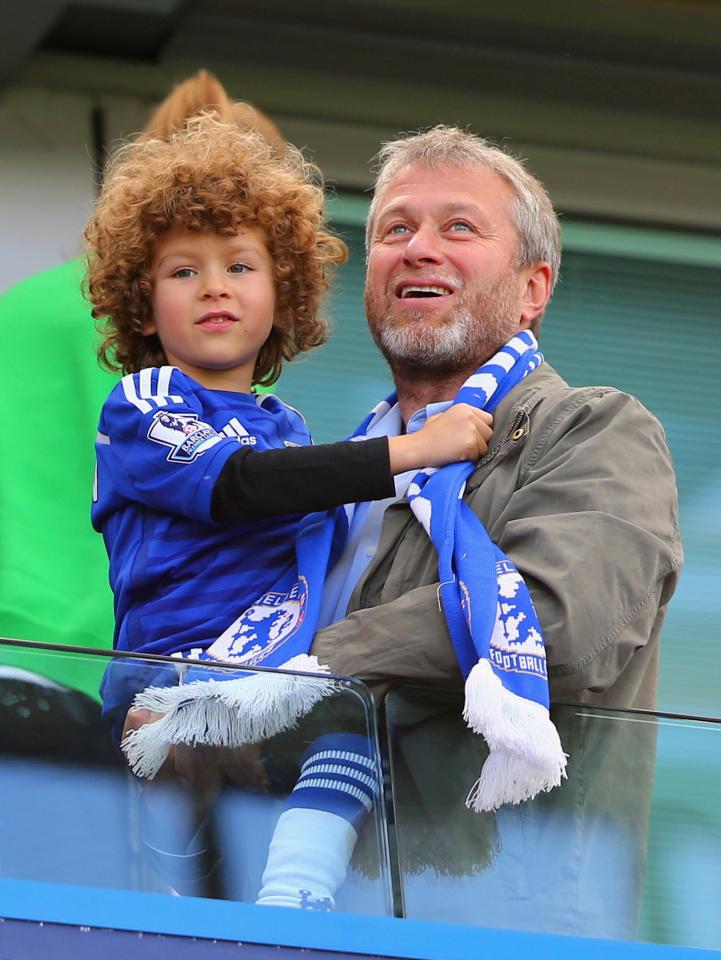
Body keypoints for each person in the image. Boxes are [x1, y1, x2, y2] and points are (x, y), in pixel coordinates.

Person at [86, 114, 492, 907]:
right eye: (181, 272)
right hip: (168, 678)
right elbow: (241, 487)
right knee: (178, 858)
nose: (214, 287)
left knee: (349, 741)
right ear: (141, 305)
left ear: (284, 296)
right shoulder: (142, 401)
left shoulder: (290, 427)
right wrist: (412, 451)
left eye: (241, 265)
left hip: (265, 679)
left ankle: (292, 910)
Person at [309, 124, 682, 745]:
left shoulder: (595, 432)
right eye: (395, 229)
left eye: (459, 227)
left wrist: (288, 679)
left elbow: (555, 622)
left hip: (493, 845)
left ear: (532, 290)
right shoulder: (338, 476)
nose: (418, 248)